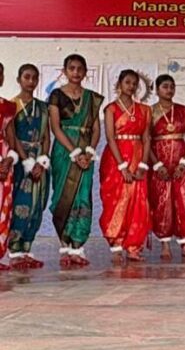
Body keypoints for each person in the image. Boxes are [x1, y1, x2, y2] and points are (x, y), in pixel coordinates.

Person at [49, 54, 103, 267]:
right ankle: (65, 245)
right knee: (62, 197)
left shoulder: (92, 98)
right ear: (64, 71)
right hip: (64, 152)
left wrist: (88, 152)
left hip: (86, 154)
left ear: (85, 72)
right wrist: (75, 152)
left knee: (83, 197)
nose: (76, 72)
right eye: (71, 68)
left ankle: (78, 246)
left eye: (80, 68)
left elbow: (96, 129)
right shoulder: (56, 95)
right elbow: (56, 127)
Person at [99, 70, 151, 262]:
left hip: (138, 157)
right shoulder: (111, 109)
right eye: (127, 82)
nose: (131, 86)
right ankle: (116, 243)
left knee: (137, 202)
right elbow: (110, 137)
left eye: (134, 83)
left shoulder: (144, 110)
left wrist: (143, 164)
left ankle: (133, 246)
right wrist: (122, 166)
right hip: (116, 160)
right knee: (116, 200)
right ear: (119, 84)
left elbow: (146, 138)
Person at [149, 74, 185, 260]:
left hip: (180, 163)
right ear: (157, 90)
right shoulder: (150, 112)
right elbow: (147, 141)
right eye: (165, 86)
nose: (169, 90)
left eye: (172, 86)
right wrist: (157, 164)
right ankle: (165, 246)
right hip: (159, 164)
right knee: (163, 203)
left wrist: (184, 163)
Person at [9, 64, 49, 269]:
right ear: (19, 80)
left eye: (34, 78)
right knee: (21, 204)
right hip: (20, 161)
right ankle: (14, 251)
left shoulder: (43, 107)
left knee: (37, 206)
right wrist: (28, 161)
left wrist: (42, 161)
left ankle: (26, 250)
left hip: (39, 159)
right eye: (27, 77)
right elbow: (13, 138)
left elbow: (46, 136)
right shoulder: (11, 105)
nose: (31, 81)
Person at [0, 62, 19, 271]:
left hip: (4, 159)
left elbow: (11, 136)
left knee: (2, 206)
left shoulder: (8, 107)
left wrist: (8, 160)